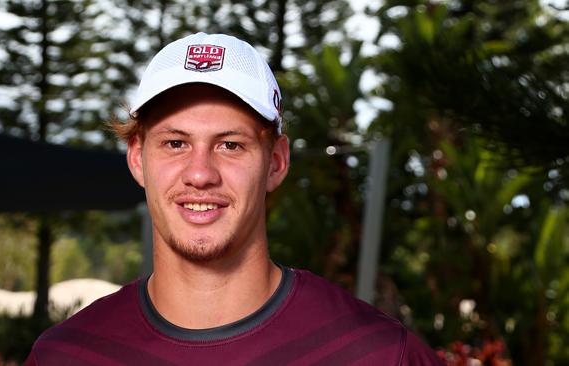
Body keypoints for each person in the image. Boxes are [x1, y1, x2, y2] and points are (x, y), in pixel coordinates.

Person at [25, 33, 442, 366]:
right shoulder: (68, 355)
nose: (200, 173)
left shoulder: (378, 355)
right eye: (175, 143)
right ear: (137, 159)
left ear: (276, 163)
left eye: (230, 145)